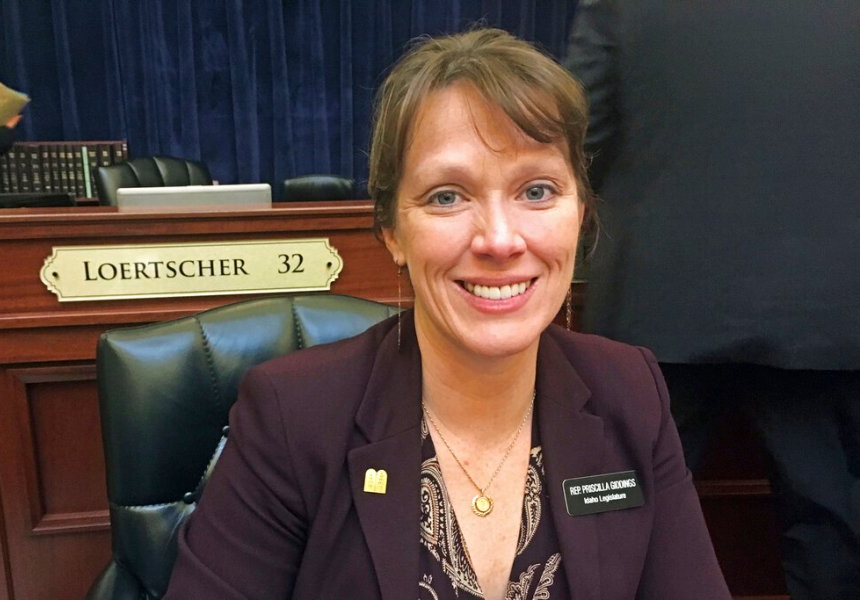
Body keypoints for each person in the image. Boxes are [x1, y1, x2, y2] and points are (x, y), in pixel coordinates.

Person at [165, 28, 728, 599]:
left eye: (536, 191)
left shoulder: (630, 391)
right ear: (392, 231)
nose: (500, 240)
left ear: (579, 212)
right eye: (447, 196)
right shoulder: (292, 416)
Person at [563, 2, 860, 598]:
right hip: (827, 309)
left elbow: (574, 135)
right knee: (832, 530)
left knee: (614, 513)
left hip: (659, 307)